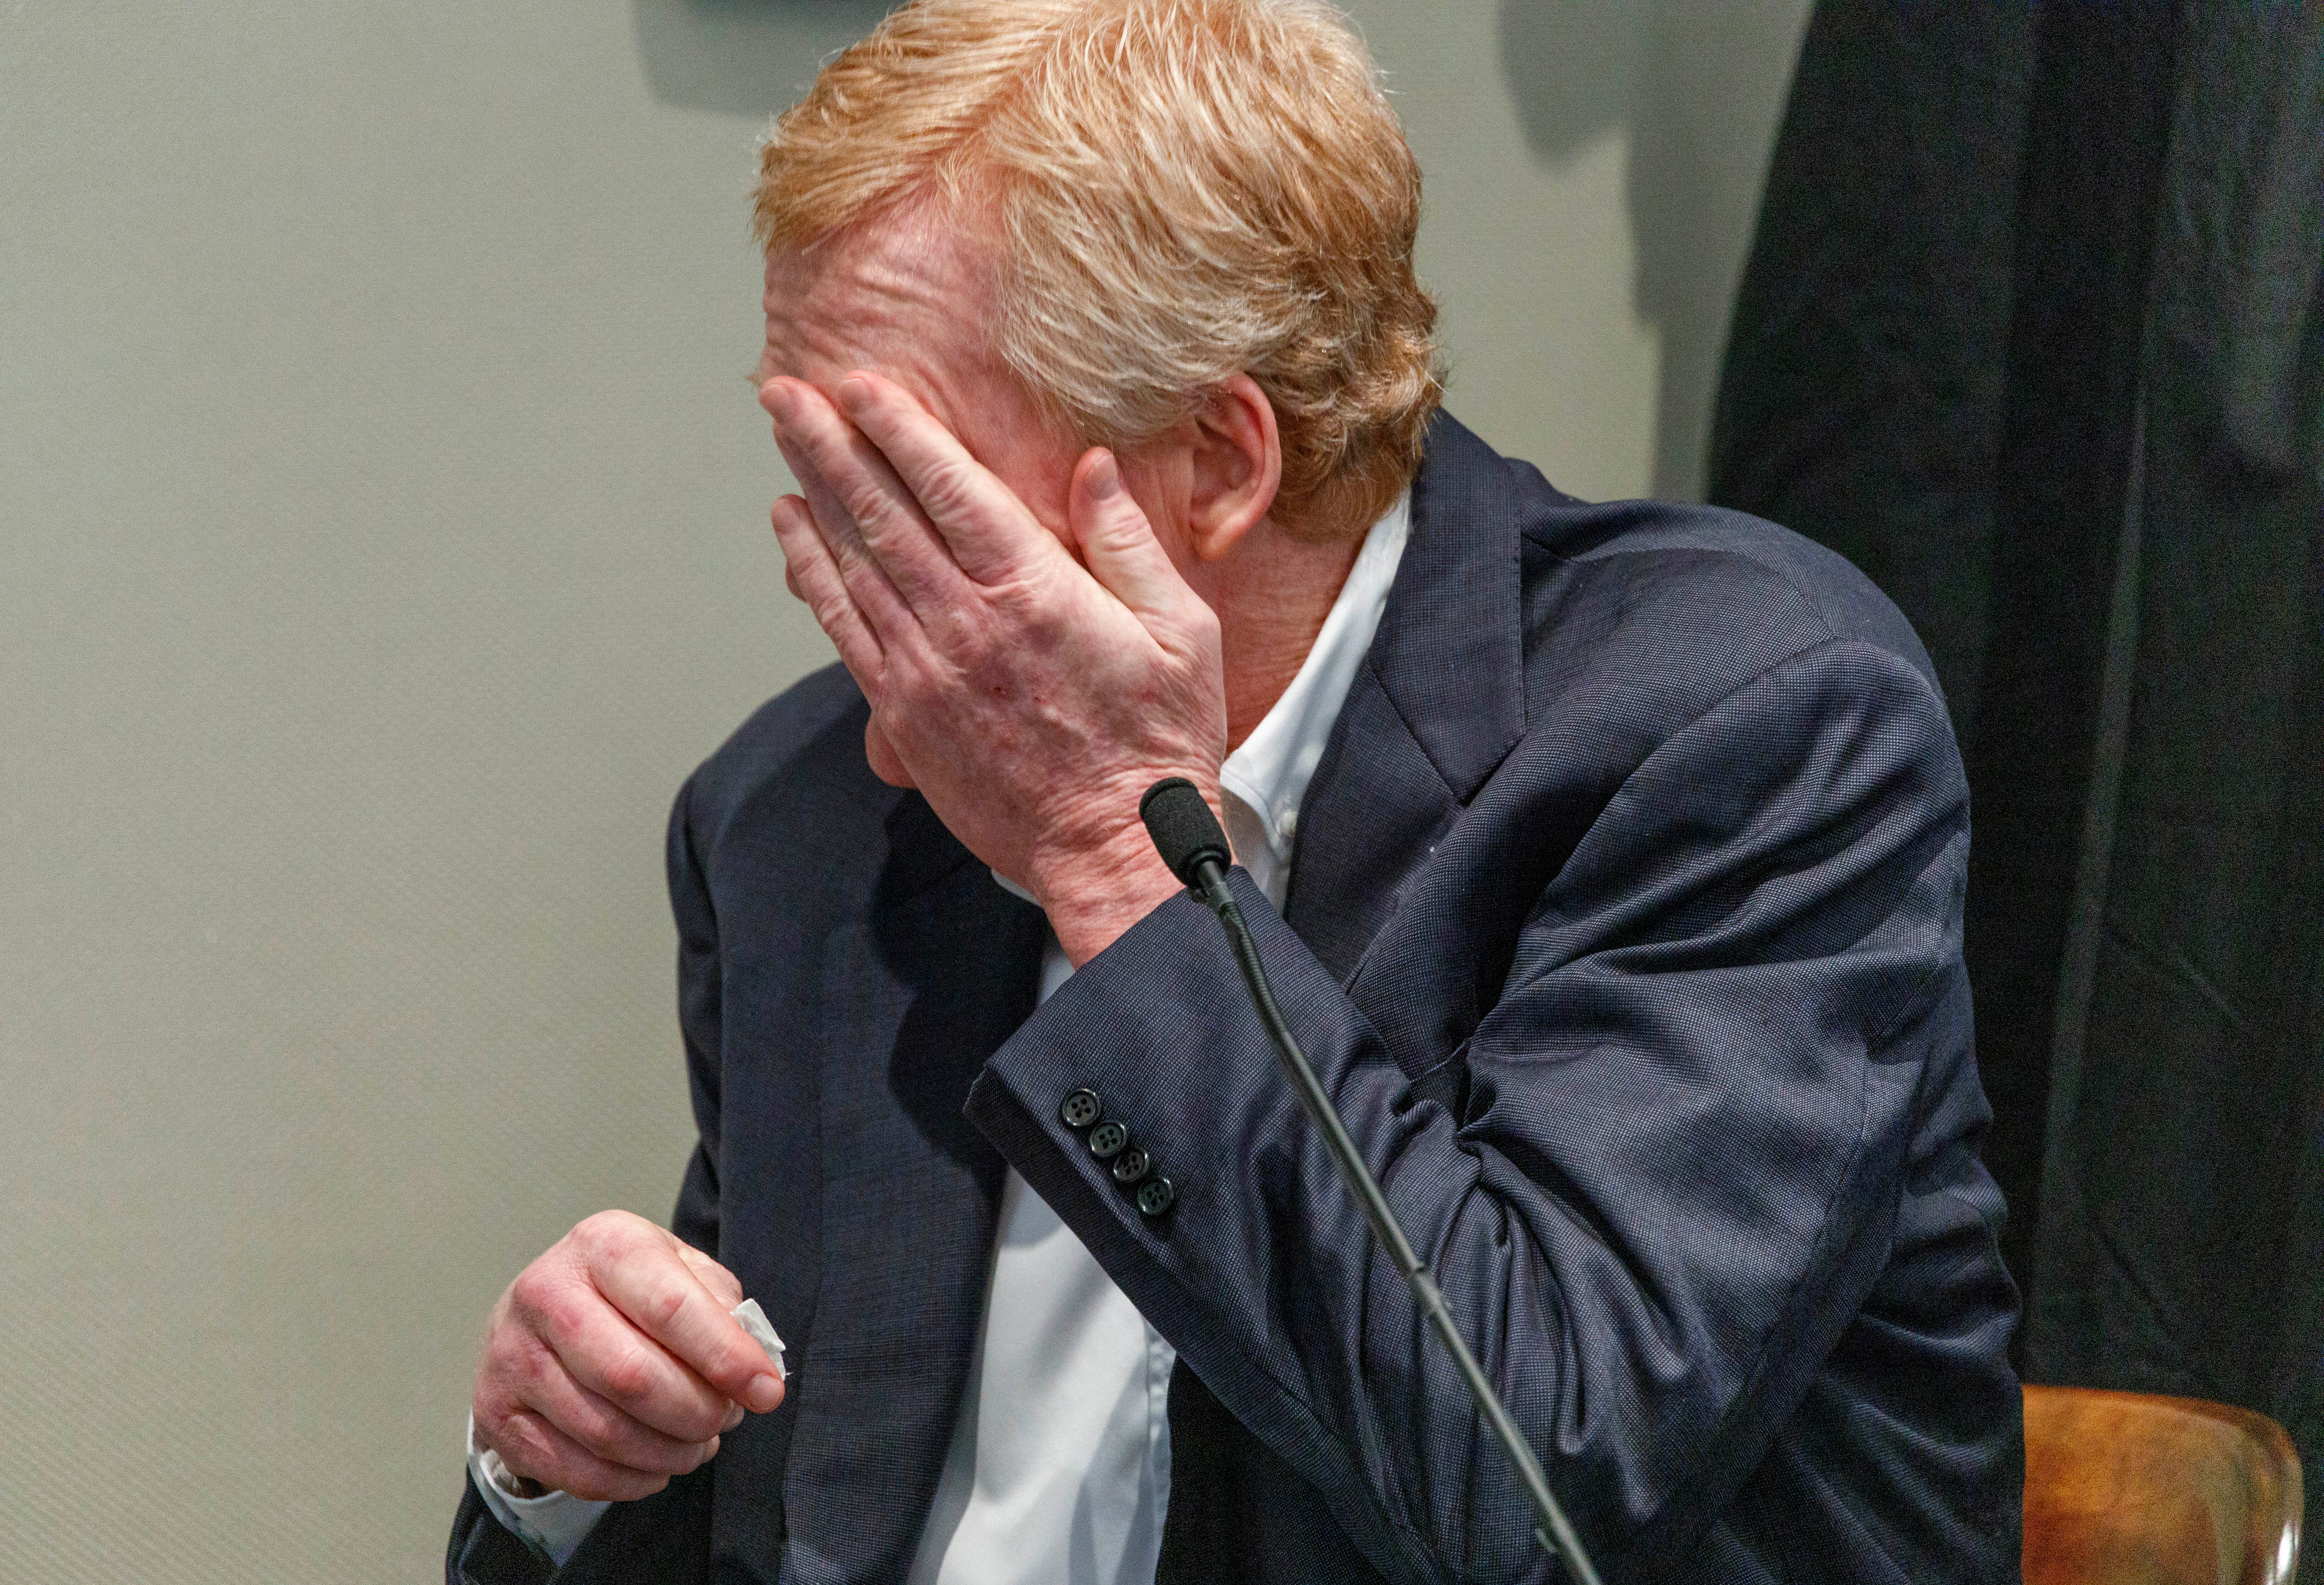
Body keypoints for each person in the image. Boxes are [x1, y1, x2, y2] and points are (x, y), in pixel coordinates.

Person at [447, 1, 2025, 1581]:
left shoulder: (1743, 725)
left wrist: (1107, 858)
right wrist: (564, 1464)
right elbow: (779, 1516)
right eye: (812, 475)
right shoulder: (798, 823)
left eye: (898, 479)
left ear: (1216, 460)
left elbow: (1536, 1482)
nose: (832, 569)